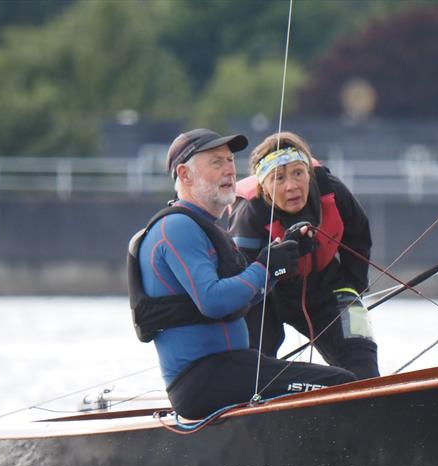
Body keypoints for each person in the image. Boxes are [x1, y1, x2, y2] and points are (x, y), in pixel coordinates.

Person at [127, 128, 355, 420]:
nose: (229, 171)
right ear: (184, 175)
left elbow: (242, 297)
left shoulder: (205, 228)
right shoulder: (177, 228)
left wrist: (282, 260)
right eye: (216, 162)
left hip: (232, 369)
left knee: (338, 382)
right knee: (343, 385)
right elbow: (213, 301)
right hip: (205, 378)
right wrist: (265, 267)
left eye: (230, 161)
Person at [228, 131, 379, 380]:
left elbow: (359, 235)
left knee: (362, 367)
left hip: (326, 286)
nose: (292, 186)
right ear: (263, 187)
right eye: (278, 178)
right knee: (255, 371)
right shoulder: (249, 214)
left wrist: (353, 289)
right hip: (266, 297)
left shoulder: (333, 192)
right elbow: (240, 278)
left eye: (298, 173)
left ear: (309, 174)